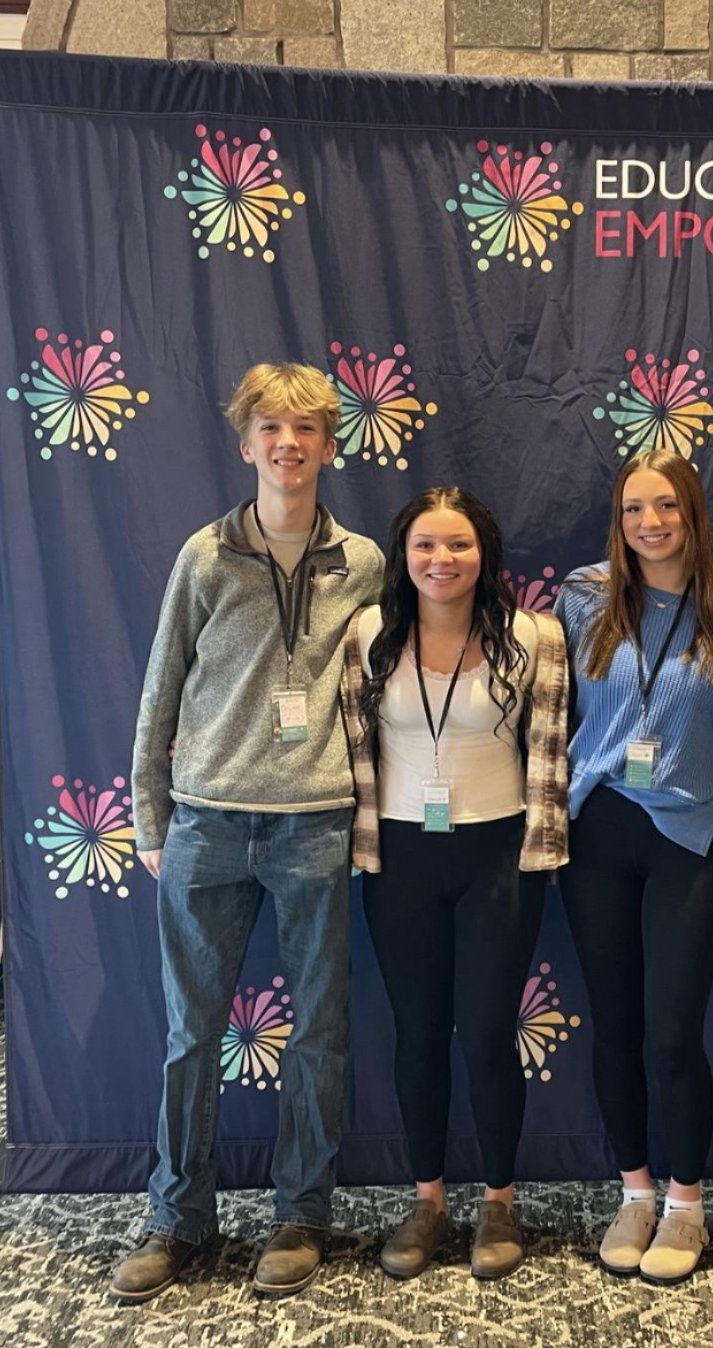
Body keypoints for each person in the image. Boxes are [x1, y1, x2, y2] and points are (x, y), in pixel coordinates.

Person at [117, 364, 385, 1302]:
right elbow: (160, 690)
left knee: (318, 1031)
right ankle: (176, 1217)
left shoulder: (364, 564)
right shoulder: (203, 556)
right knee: (192, 1033)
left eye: (307, 429)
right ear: (247, 444)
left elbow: (379, 701)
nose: (289, 444)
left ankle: (301, 1212)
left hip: (313, 824)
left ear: (329, 445)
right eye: (271, 428)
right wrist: (153, 815)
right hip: (208, 822)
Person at [339, 487, 568, 1281]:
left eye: (459, 545)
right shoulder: (368, 633)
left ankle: (499, 1202)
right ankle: (429, 1200)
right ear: (403, 555)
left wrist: (538, 850)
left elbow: (550, 756)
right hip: (399, 857)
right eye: (426, 546)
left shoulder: (534, 637)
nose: (442, 560)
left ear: (485, 555)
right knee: (417, 1033)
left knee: (486, 1031)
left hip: (498, 857)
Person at [553, 447, 713, 1284]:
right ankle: (634, 1191)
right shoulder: (583, 599)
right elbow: (552, 704)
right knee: (615, 1023)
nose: (650, 522)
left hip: (692, 832)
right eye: (635, 507)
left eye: (666, 507)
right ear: (619, 517)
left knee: (673, 1028)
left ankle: (684, 1204)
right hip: (598, 832)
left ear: (691, 515)